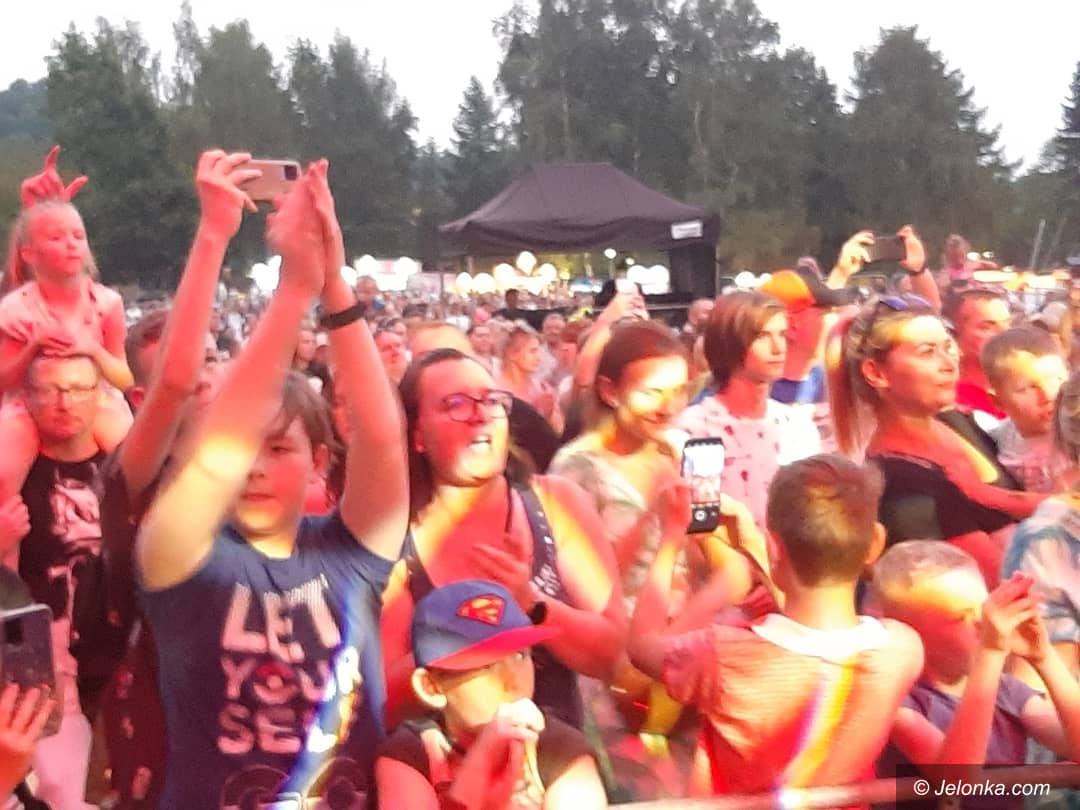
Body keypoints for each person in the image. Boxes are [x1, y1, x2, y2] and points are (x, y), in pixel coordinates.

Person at [135, 161, 409, 807]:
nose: (253, 467)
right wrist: (293, 292)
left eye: (280, 448)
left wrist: (334, 283)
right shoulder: (180, 558)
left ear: (320, 462)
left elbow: (381, 437)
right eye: (247, 450)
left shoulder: (350, 555)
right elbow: (217, 458)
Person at [628, 454, 923, 797]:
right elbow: (812, 637)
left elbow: (642, 645)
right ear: (875, 542)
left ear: (775, 548)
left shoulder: (721, 656)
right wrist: (757, 546)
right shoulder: (902, 650)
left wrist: (670, 537)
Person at [380, 347, 626, 731]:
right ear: (418, 436)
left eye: (492, 401)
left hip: (556, 749)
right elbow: (383, 700)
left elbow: (611, 653)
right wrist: (461, 626)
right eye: (455, 404)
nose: (480, 415)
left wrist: (532, 603)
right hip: (443, 758)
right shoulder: (394, 537)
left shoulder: (555, 502)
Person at [549, 320, 693, 800]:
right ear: (610, 391)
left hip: (684, 642)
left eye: (678, 391)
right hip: (616, 665)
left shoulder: (676, 450)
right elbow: (580, 580)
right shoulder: (576, 467)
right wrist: (653, 517)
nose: (667, 406)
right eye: (652, 392)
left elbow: (697, 552)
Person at [828, 294, 1038, 585]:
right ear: (876, 373)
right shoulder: (901, 484)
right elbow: (1003, 584)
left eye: (948, 347)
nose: (949, 362)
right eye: (927, 352)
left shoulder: (957, 421)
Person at [873, 541, 1080, 803]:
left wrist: (1043, 657)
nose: (984, 625)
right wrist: (990, 653)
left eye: (985, 610)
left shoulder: (1007, 691)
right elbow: (957, 783)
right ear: (912, 632)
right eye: (961, 617)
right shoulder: (900, 703)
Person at [373, 580, 607, 809]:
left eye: (520, 655)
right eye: (486, 666)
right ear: (431, 687)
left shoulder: (557, 747)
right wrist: (480, 765)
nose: (512, 678)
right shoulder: (411, 753)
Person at [0, 152, 134, 503]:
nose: (71, 244)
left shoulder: (106, 303)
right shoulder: (16, 308)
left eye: (78, 235)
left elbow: (124, 378)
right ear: (29, 254)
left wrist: (92, 351)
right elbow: (4, 381)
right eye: (57, 238)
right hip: (29, 406)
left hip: (97, 402)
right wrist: (32, 347)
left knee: (136, 472)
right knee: (3, 475)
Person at [12, 352, 106, 810]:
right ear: (27, 398)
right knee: (63, 789)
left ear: (99, 395)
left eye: (78, 388)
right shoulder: (13, 474)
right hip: (46, 658)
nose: (65, 402)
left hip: (115, 649)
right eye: (51, 390)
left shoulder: (123, 463)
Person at [677, 291, 819, 530]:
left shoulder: (797, 427)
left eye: (782, 335)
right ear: (729, 342)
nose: (778, 348)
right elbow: (702, 528)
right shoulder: (696, 431)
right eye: (762, 336)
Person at [758, 266, 857, 451]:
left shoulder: (836, 383)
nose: (833, 321)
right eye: (824, 314)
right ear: (791, 327)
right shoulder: (748, 394)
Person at [981, 327, 1070, 493]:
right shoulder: (1000, 436)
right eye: (1027, 388)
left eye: (1057, 380)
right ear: (998, 401)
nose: (1048, 395)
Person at [943, 288, 1013, 431]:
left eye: (1008, 324)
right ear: (953, 336)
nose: (1005, 333)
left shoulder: (1024, 386)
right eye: (986, 327)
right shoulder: (946, 399)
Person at [499, 325, 562, 434]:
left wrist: (549, 414)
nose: (539, 358)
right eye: (533, 351)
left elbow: (559, 432)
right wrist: (537, 414)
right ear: (512, 354)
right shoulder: (494, 390)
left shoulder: (543, 388)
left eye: (539, 352)